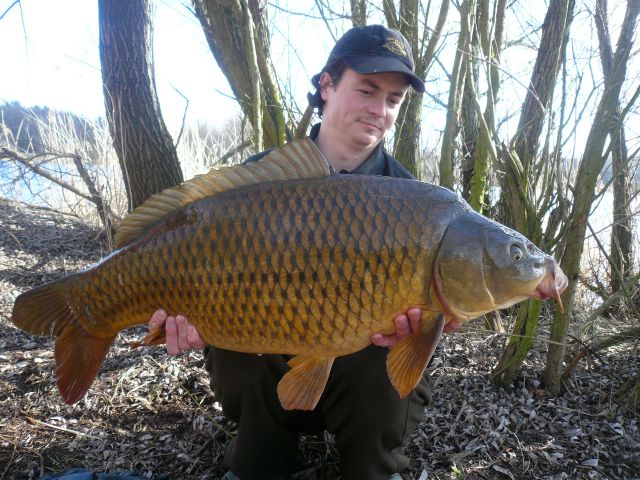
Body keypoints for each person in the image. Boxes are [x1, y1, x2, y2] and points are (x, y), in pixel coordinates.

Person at [149, 25, 433, 480]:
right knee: (239, 350)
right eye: (367, 90)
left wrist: (422, 325)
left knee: (383, 366)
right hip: (266, 367)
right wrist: (192, 318)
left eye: (394, 100)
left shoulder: (410, 200)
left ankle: (375, 466)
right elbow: (192, 261)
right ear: (327, 84)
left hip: (355, 377)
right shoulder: (261, 180)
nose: (379, 110)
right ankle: (259, 461)